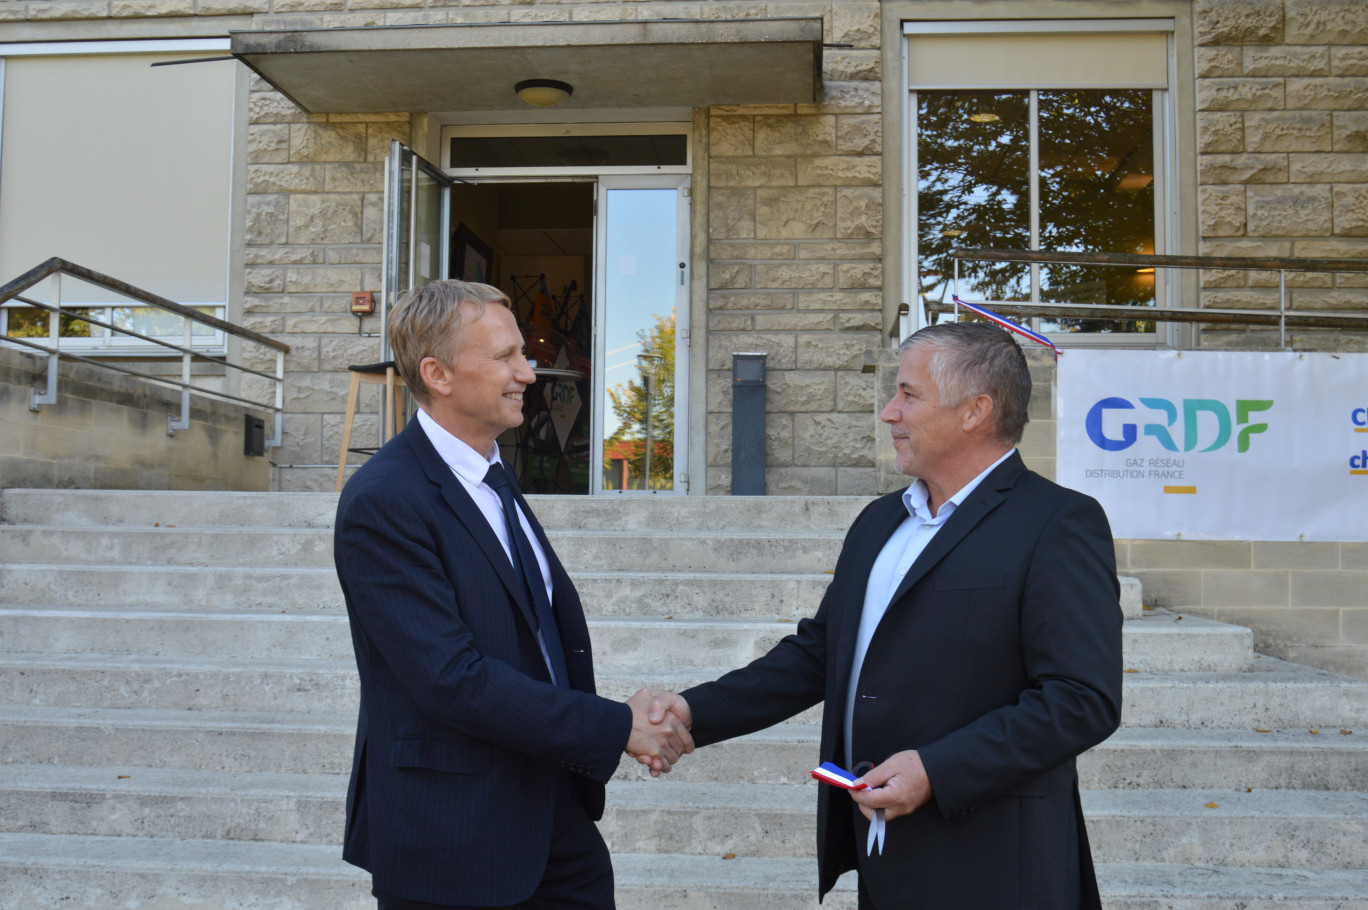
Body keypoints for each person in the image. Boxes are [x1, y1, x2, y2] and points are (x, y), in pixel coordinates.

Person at [654, 320, 1123, 909]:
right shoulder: (880, 521)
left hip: (995, 867)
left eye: (909, 394)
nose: (888, 413)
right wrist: (695, 711)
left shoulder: (1056, 524)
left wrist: (937, 770)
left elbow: (1081, 699)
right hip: (883, 858)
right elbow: (818, 655)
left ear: (975, 411)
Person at [334, 279, 692, 910]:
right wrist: (615, 726)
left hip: (552, 814)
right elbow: (451, 679)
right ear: (438, 374)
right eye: (504, 357)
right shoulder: (384, 499)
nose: (528, 372)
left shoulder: (493, 473)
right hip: (454, 839)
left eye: (522, 353)